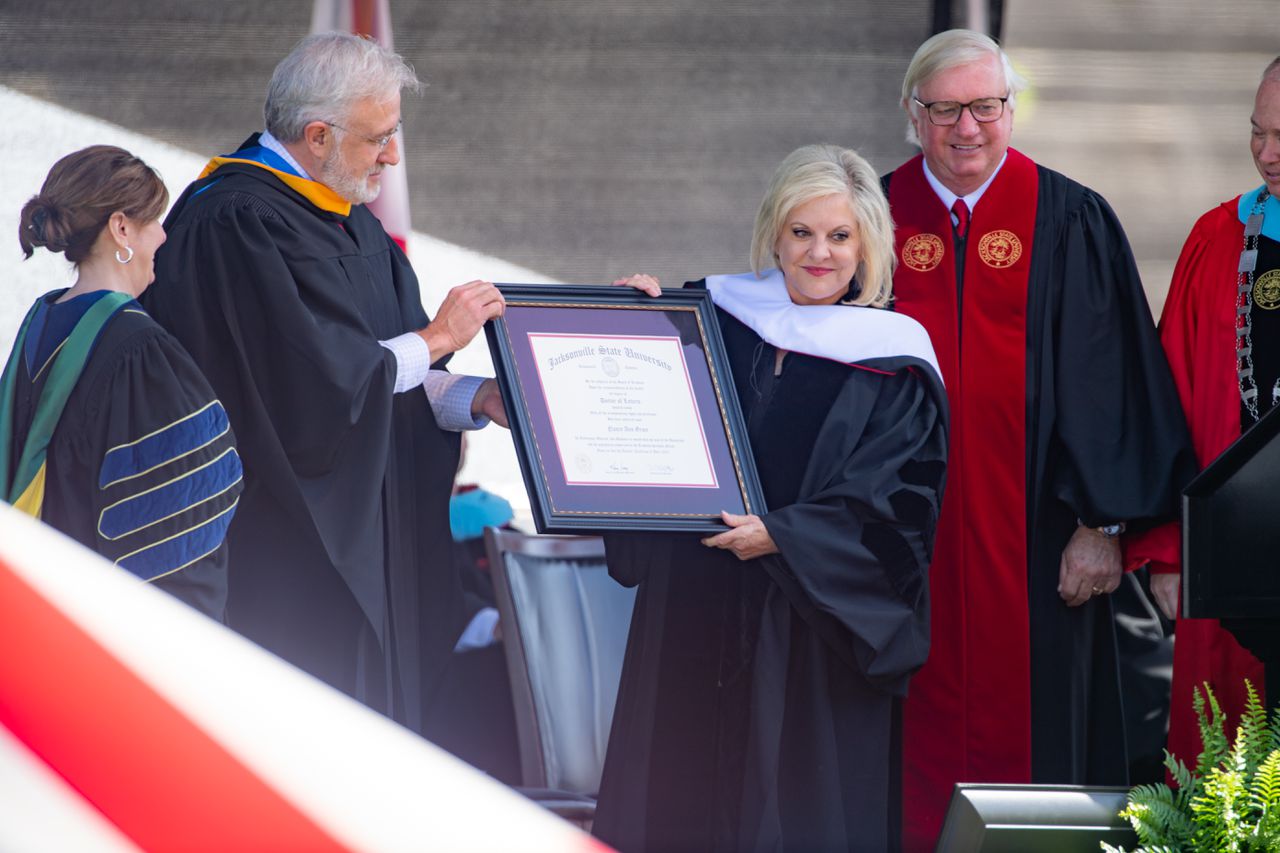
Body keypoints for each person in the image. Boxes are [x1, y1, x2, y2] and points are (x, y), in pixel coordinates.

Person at [881, 29, 1198, 849]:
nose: (966, 128)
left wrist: (1103, 526)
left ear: (1011, 109)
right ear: (911, 116)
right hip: (898, 547)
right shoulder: (867, 219)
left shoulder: (1071, 218)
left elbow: (1113, 383)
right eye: (943, 110)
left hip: (1039, 551)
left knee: (1038, 749)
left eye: (984, 106)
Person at [141, 33, 507, 733]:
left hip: (369, 547)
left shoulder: (349, 224)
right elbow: (316, 396)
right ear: (317, 136)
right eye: (380, 138)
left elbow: (389, 375)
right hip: (286, 556)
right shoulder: (235, 224)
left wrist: (472, 398)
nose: (393, 156)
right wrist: (436, 337)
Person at [594, 144, 949, 852]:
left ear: (868, 244)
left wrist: (784, 536)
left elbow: (899, 510)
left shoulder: (893, 358)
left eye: (840, 236)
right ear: (774, 233)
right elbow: (639, 422)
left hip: (811, 633)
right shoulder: (711, 313)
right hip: (692, 603)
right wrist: (630, 328)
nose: (820, 253)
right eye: (801, 232)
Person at [3, 145, 242, 619]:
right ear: (121, 228)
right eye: (154, 220)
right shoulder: (139, 351)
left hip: (34, 599)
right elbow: (181, 519)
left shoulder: (40, 323)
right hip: (98, 621)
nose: (162, 234)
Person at [1124, 58, 1280, 765]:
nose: (1268, 154)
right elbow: (1173, 397)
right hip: (1232, 551)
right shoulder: (1220, 238)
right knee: (1226, 764)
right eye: (1257, 134)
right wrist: (1167, 546)